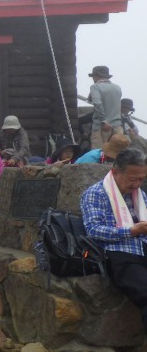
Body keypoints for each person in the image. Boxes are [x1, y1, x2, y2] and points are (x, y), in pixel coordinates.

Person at [80, 148, 147, 331]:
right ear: (115, 172)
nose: (137, 184)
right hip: (119, 255)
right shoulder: (96, 193)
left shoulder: (141, 196)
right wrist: (131, 231)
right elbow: (93, 230)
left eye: (141, 179)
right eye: (133, 179)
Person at [88, 65, 123, 150]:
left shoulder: (95, 87)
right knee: (116, 153)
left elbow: (97, 103)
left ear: (96, 76)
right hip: (117, 126)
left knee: (98, 153)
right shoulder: (117, 87)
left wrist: (103, 121)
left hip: (101, 126)